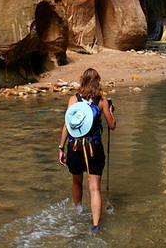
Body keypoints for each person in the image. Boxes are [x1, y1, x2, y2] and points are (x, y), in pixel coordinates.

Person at [58, 68, 116, 230]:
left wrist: (61, 148)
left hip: (75, 147)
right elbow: (112, 126)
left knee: (77, 181)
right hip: (94, 148)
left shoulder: (73, 100)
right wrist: (111, 112)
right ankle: (96, 225)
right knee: (94, 187)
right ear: (98, 82)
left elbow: (67, 126)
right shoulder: (102, 101)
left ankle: (78, 211)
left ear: (82, 81)